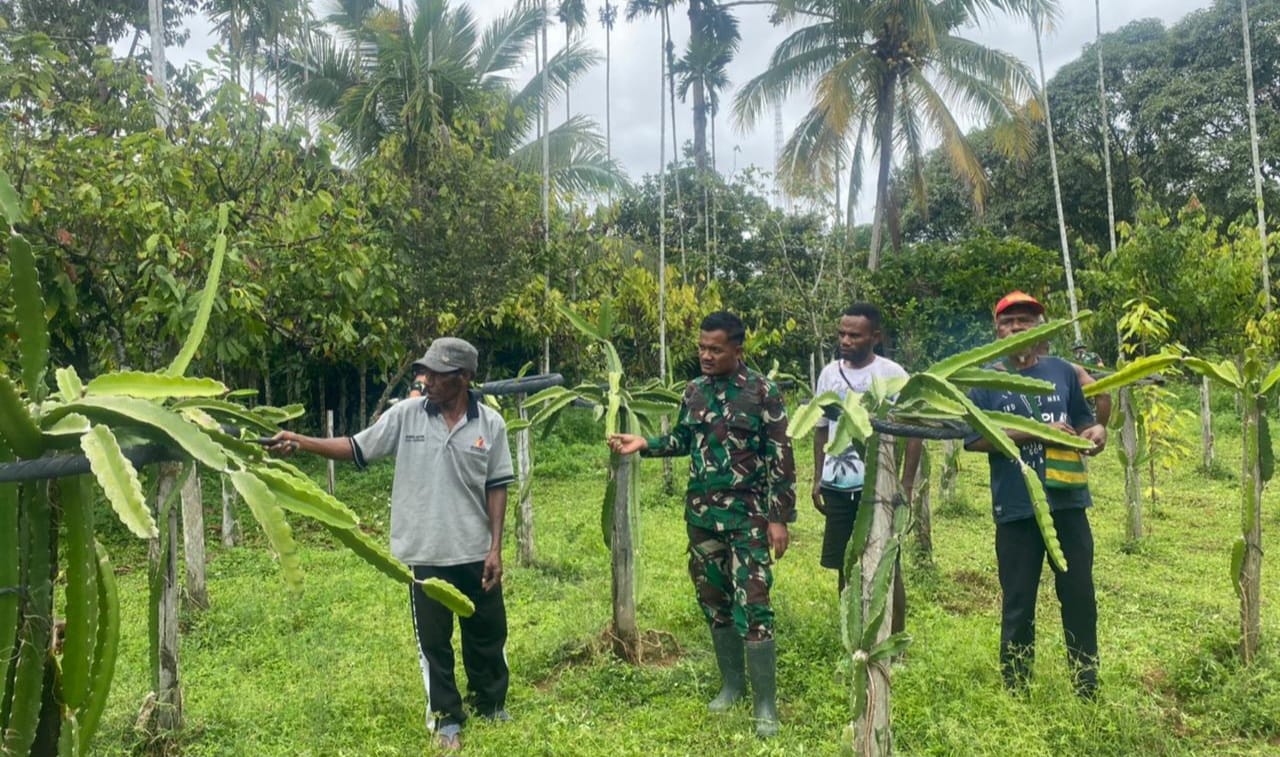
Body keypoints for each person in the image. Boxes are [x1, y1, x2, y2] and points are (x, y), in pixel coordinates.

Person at [270, 337, 514, 751]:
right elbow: (356, 447)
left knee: (487, 634)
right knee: (434, 644)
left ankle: (491, 704)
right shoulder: (406, 416)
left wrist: (495, 548)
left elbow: (497, 486)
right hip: (424, 555)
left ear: (464, 378)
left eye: (437, 373)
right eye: (426, 371)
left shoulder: (491, 425)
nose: (427, 379)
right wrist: (303, 442)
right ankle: (447, 719)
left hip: (475, 552)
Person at [607, 311, 795, 738]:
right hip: (703, 518)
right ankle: (732, 685)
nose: (706, 356)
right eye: (701, 348)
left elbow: (781, 458)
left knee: (755, 602)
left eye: (715, 349)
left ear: (737, 350)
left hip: (749, 518)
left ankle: (765, 704)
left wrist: (779, 518)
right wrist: (645, 444)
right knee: (714, 600)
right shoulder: (693, 392)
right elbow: (684, 440)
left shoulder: (764, 392)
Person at [964, 291, 1106, 698]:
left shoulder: (1062, 372)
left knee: (1079, 596)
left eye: (1024, 320)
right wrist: (1035, 432)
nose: (1015, 328)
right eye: (1007, 323)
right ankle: (1016, 688)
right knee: (1018, 602)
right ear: (997, 332)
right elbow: (973, 439)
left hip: (1067, 501)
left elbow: (1084, 420)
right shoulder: (985, 378)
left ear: (1041, 328)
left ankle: (1086, 685)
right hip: (1015, 506)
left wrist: (1096, 432)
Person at [811, 303, 919, 633]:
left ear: (875, 336)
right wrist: (818, 477)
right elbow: (820, 426)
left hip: (881, 486)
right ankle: (852, 631)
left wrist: (906, 483)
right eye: (842, 333)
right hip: (838, 484)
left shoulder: (894, 374)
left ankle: (895, 637)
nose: (845, 340)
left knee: (889, 563)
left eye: (854, 335)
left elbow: (915, 432)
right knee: (846, 563)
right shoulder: (829, 373)